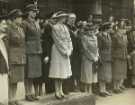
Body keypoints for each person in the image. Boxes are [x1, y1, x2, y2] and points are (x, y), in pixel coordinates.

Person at [49, 11, 73, 99]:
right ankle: (57, 91)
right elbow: (57, 40)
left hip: (66, 50)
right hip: (58, 51)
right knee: (58, 71)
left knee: (63, 71)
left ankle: (61, 89)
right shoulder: (55, 27)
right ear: (59, 18)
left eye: (65, 17)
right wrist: (65, 51)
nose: (64, 19)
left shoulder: (65, 27)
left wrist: (70, 49)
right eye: (63, 17)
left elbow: (69, 39)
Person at [23, 4, 42, 101]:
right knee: (28, 74)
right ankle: (27, 93)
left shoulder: (36, 23)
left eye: (35, 12)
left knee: (33, 74)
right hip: (29, 50)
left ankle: (31, 93)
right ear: (28, 12)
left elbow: (39, 36)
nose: (35, 13)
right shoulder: (25, 23)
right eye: (33, 11)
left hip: (36, 50)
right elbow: (24, 38)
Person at [7, 9, 26, 105]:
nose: (21, 19)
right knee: (12, 80)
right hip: (13, 57)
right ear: (14, 18)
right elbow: (7, 45)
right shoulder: (9, 29)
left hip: (20, 57)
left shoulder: (21, 29)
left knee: (17, 79)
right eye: (19, 17)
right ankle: (10, 99)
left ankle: (14, 98)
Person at [79, 21, 99, 94]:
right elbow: (85, 49)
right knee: (87, 76)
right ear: (86, 31)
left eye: (92, 30)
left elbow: (97, 48)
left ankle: (90, 91)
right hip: (87, 59)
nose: (90, 32)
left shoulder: (95, 37)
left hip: (94, 59)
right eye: (89, 30)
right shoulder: (84, 38)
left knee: (93, 76)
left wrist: (97, 56)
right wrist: (92, 57)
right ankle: (86, 91)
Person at [64, 13, 81, 92]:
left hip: (76, 51)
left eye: (74, 19)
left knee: (74, 69)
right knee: (68, 69)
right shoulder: (66, 27)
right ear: (68, 19)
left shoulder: (75, 27)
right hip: (69, 50)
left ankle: (73, 86)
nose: (73, 20)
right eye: (71, 19)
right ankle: (68, 87)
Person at [112, 19, 128, 93]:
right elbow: (113, 47)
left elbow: (126, 46)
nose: (123, 31)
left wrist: (126, 54)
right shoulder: (115, 37)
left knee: (121, 72)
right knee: (116, 72)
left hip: (123, 55)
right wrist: (113, 55)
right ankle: (115, 87)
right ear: (117, 29)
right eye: (121, 29)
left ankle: (118, 86)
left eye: (123, 29)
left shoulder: (124, 37)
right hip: (117, 56)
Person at [98, 23, 112, 97]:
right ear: (106, 28)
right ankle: (101, 90)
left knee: (106, 74)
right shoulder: (100, 36)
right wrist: (99, 57)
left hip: (108, 57)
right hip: (103, 57)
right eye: (109, 28)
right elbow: (99, 48)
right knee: (102, 74)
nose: (110, 29)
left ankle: (104, 89)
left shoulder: (108, 35)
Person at [0, 16, 9, 105]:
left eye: (5, 24)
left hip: (3, 65)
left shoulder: (5, 38)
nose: (5, 26)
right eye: (3, 24)